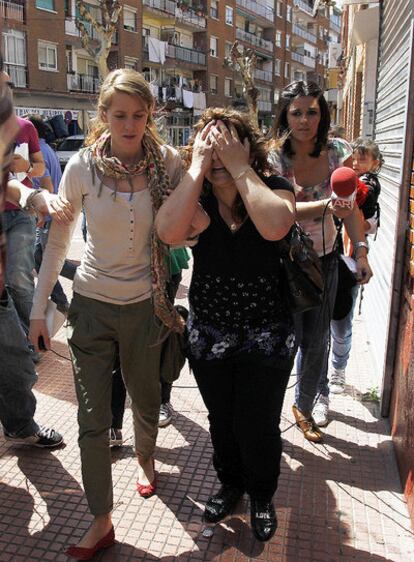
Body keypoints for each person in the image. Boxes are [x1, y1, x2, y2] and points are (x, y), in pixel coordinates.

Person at [29, 68, 188, 560]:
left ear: (150, 116)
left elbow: (190, 222)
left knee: (145, 401)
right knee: (93, 420)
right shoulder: (83, 167)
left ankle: (146, 460)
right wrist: (39, 311)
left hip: (145, 308)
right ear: (103, 116)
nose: (129, 124)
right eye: (120, 115)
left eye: (139, 115)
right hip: (93, 307)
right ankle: (102, 519)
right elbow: (58, 239)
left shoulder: (168, 162)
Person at [156, 107, 296, 542]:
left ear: (248, 148)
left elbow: (275, 226)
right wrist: (197, 166)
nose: (218, 154)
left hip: (267, 332)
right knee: (222, 418)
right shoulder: (197, 201)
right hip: (211, 333)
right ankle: (231, 483)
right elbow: (167, 232)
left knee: (258, 420)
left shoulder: (273, 188)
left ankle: (261, 494)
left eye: (227, 145)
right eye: (209, 145)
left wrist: (239, 166)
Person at [269, 81, 373, 443]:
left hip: (326, 260)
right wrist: (327, 205)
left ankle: (304, 406)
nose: (304, 120)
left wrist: (360, 251)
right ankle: (266, 415)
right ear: (284, 114)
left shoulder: (337, 154)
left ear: (322, 114)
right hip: (283, 264)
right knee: (282, 341)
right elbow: (281, 211)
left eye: (312, 111)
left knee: (316, 341)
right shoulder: (273, 158)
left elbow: (350, 208)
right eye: (296, 112)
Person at [0, 59, 70, 449]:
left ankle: (19, 422)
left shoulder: (21, 127)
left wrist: (34, 195)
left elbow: (18, 180)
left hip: (18, 219)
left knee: (13, 354)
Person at [328, 138, 383, 397]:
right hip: (325, 261)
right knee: (316, 332)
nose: (357, 164)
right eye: (354, 159)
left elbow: (369, 218)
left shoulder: (367, 184)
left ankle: (338, 372)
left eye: (362, 159)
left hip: (349, 265)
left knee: (341, 324)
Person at [27, 114, 76, 316]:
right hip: (48, 215)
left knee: (49, 260)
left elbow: (45, 185)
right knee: (41, 258)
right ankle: (59, 298)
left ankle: (79, 283)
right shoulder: (48, 149)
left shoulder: (37, 152)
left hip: (45, 216)